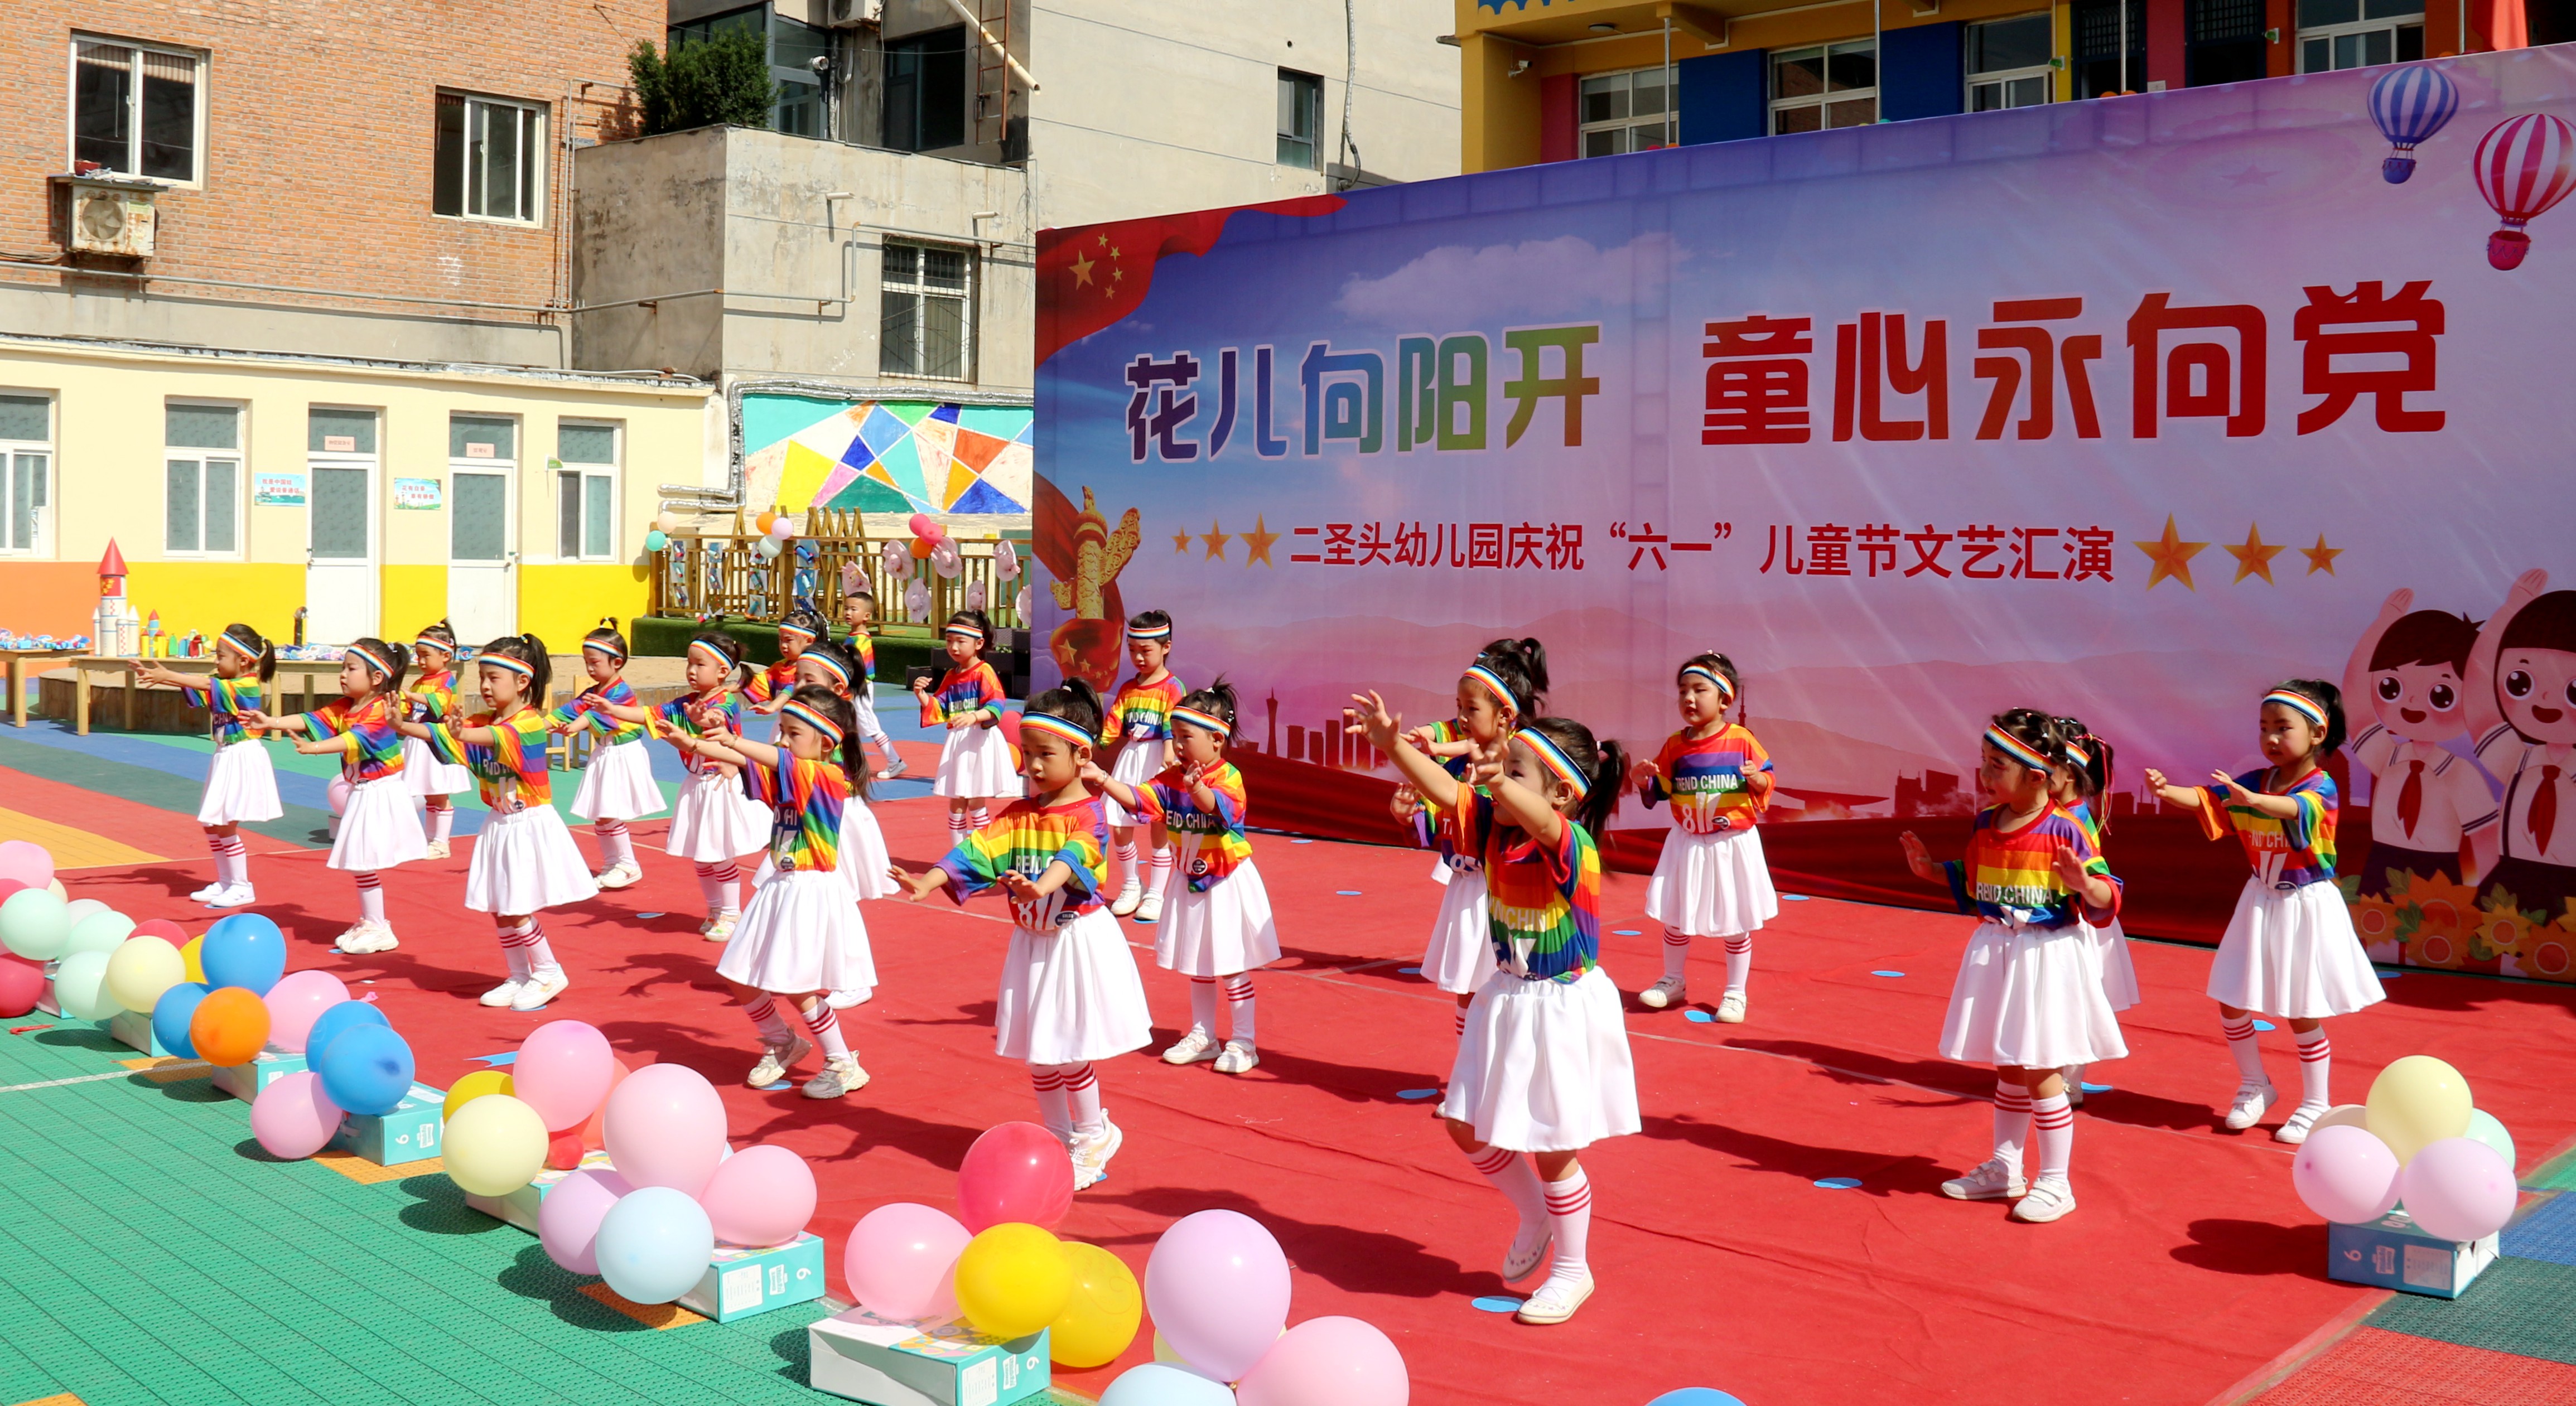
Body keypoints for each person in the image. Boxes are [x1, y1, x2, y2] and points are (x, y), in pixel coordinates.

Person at [1348, 689, 1637, 1327]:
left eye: (1516, 772)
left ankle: (1572, 1268)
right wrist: (1390, 743)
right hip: (1505, 994)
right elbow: (1444, 791)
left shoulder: (1568, 843)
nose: (1496, 783)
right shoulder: (1491, 827)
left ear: (1560, 795)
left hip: (1558, 1006)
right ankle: (1533, 1212)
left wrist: (1497, 785)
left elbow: (1534, 819)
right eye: (1501, 771)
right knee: (1464, 1124)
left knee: (1555, 1144)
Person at [892, 679, 1151, 1189]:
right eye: (1026, 752)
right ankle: (1055, 1137)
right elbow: (975, 851)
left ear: (1081, 755)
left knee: (1070, 1046)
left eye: (1044, 754)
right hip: (1032, 942)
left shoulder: (1088, 813)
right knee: (1038, 1047)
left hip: (1075, 940)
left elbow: (1073, 857)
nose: (1030, 765)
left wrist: (1039, 888)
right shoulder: (1017, 815)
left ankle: (1094, 1133)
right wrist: (929, 878)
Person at [1899, 710, 2125, 1224]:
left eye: (1997, 764)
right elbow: (1973, 880)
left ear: (2038, 776)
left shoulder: (2066, 828)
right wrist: (1931, 871)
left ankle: (2056, 1181)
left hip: (2045, 955)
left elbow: (2106, 895)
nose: (1984, 773)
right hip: (1997, 949)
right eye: (1984, 761)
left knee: (2041, 1067)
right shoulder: (1986, 823)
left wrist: (2082, 883)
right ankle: (2006, 1166)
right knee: (2008, 1064)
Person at [2145, 682, 2384, 1144]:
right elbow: (2209, 799)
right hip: (2259, 898)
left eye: (2282, 727)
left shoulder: (2322, 786)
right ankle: (2256, 1083)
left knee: (2301, 1007)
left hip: (2305, 903)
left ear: (2317, 734)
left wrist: (2254, 801)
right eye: (2263, 728)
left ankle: (2317, 1102)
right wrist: (2167, 790)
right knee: (2231, 996)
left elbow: (2297, 808)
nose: (2270, 738)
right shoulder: (2254, 780)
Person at [671, 683, 877, 1099]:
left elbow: (768, 758)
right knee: (739, 973)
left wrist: (731, 738)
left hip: (808, 888)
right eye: (780, 730)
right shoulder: (792, 771)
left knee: (798, 986)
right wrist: (694, 742)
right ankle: (783, 1041)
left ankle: (842, 1062)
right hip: (780, 886)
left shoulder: (824, 774)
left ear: (825, 742)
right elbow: (752, 764)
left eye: (792, 732)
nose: (782, 739)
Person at [1084, 678, 1278, 1073]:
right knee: (1198, 963)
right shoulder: (1172, 777)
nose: (1177, 745)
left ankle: (1244, 1041)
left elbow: (1222, 811)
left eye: (1186, 737)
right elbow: (1141, 799)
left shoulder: (1228, 776)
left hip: (1225, 882)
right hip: (1188, 880)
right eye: (1174, 736)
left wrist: (1199, 789)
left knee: (1230, 963)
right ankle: (1203, 1034)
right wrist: (1102, 779)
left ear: (1217, 741)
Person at [398, 634, 598, 1011]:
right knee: (499, 904)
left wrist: (459, 732)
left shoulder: (528, 724)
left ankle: (548, 970)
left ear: (523, 681)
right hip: (499, 822)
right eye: (482, 678)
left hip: (528, 823)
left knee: (518, 904)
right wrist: (403, 725)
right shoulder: (482, 720)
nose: (485, 686)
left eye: (494, 678)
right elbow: (445, 734)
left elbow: (486, 737)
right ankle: (519, 974)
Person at [1394, 639, 1547, 1049]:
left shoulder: (1519, 769)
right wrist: (1407, 814)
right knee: (1468, 989)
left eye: (1471, 709)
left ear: (1506, 716)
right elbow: (1434, 831)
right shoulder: (1458, 766)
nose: (1460, 717)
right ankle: (1468, 1075)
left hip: (1504, 888)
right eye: (1458, 707)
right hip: (1467, 888)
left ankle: (1503, 1076)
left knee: (1508, 986)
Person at [240, 640, 427, 954]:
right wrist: (272, 722)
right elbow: (314, 719)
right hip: (364, 790)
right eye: (343, 667)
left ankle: (378, 926)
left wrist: (313, 748)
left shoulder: (381, 709)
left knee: (364, 860)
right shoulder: (348, 706)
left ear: (377, 678)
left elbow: (353, 739)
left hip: (379, 791)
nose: (343, 674)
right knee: (361, 863)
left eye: (351, 668)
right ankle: (373, 921)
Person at [591, 631, 770, 939]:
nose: (691, 670)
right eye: (689, 663)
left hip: (718, 785)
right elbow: (648, 714)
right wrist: (612, 710)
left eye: (700, 664)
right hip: (696, 786)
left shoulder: (723, 703)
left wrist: (705, 720)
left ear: (723, 672)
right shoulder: (684, 703)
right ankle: (714, 909)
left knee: (720, 853)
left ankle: (730, 913)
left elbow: (716, 720)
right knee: (701, 855)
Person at [1630, 653, 1778, 1020]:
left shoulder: (1742, 739)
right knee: (1677, 915)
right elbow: (1662, 788)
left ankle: (1734, 992)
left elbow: (1767, 777)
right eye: (1683, 691)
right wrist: (1644, 781)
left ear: (1725, 699)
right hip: (1688, 843)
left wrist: (1758, 779)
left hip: (1731, 845)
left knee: (1735, 920)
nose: (1689, 699)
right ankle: (1673, 980)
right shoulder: (1675, 745)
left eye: (1700, 690)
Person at [747, 637, 888, 1011]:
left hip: (835, 820)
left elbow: (800, 771)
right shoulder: (802, 719)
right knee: (806, 895)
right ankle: (804, 967)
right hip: (810, 821)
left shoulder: (827, 726)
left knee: (839, 898)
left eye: (807, 679)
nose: (797, 685)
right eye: (797, 678)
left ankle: (855, 977)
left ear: (837, 688)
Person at [2342, 591, 2495, 900]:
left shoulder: (2459, 773)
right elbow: (2355, 700)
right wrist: (2381, 626)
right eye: (2392, 686)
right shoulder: (2387, 756)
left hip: (2439, 873)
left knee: (2434, 945)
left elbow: (2485, 838)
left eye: (2441, 694)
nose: (2412, 702)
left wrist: (2486, 899)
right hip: (2382, 867)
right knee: (2378, 943)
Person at [134, 624, 282, 909]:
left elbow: (203, 684)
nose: (216, 660)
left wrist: (167, 675)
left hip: (242, 756)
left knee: (226, 823)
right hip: (225, 755)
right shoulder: (222, 681)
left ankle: (242, 886)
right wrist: (160, 677)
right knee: (212, 823)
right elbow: (200, 686)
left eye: (221, 656)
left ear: (243, 661)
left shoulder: (245, 684)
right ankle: (226, 881)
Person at [2466, 572, 2576, 921]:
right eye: (2521, 681)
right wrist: (2510, 610)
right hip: (2512, 879)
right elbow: (2479, 690)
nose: (2545, 699)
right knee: (2497, 954)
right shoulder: (2518, 757)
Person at [2047, 717, 2137, 1104]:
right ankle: (2055, 1073)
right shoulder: (2057, 809)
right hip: (2062, 916)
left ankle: (2072, 1079)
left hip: (2082, 918)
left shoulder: (2075, 817)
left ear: (2068, 773)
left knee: (2079, 997)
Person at [547, 621, 663, 891]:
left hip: (623, 755)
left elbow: (593, 715)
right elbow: (569, 711)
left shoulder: (622, 693)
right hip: (604, 753)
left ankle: (628, 864)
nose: (589, 668)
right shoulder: (592, 692)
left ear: (617, 662)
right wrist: (529, 729)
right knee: (601, 813)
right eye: (587, 662)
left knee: (609, 811)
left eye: (595, 662)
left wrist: (575, 726)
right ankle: (612, 863)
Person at [1098, 611, 1186, 921]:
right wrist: (1095, 744)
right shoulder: (1127, 688)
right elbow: (1113, 723)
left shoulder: (1173, 686)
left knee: (1158, 825)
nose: (1137, 657)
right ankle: (1131, 885)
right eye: (1132, 650)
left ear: (1166, 647)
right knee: (1120, 825)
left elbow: (1171, 722)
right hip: (1131, 759)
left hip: (1159, 762)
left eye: (1145, 650)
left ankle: (1156, 894)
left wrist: (1168, 749)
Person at [914, 608, 1021, 849]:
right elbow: (939, 707)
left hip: (978, 741)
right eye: (949, 641)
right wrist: (921, 695)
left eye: (960, 641)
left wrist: (974, 717)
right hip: (959, 742)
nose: (953, 647)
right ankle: (959, 854)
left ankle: (984, 852)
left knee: (976, 799)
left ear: (979, 643)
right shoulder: (952, 675)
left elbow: (996, 706)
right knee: (957, 799)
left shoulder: (984, 672)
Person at [402, 621, 472, 860]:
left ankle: (441, 842)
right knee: (430, 794)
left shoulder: (446, 681)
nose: (420, 661)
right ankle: (430, 840)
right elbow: (409, 708)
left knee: (439, 794)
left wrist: (410, 696)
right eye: (418, 655)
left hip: (437, 743)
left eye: (425, 655)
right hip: (419, 742)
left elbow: (440, 702)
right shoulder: (419, 682)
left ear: (445, 655)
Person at [838, 567, 906, 780]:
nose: (848, 613)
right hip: (853, 688)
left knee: (871, 727)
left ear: (867, 616)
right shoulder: (853, 637)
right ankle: (851, 764)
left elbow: (859, 669)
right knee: (850, 727)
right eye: (846, 608)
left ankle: (895, 761)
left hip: (860, 688)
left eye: (854, 610)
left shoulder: (861, 640)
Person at [746, 605, 826, 714]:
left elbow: (791, 689)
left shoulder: (813, 668)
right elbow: (758, 682)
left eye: (789, 640)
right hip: (785, 719)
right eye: (781, 640)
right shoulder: (779, 667)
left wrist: (773, 707)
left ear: (809, 641)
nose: (783, 645)